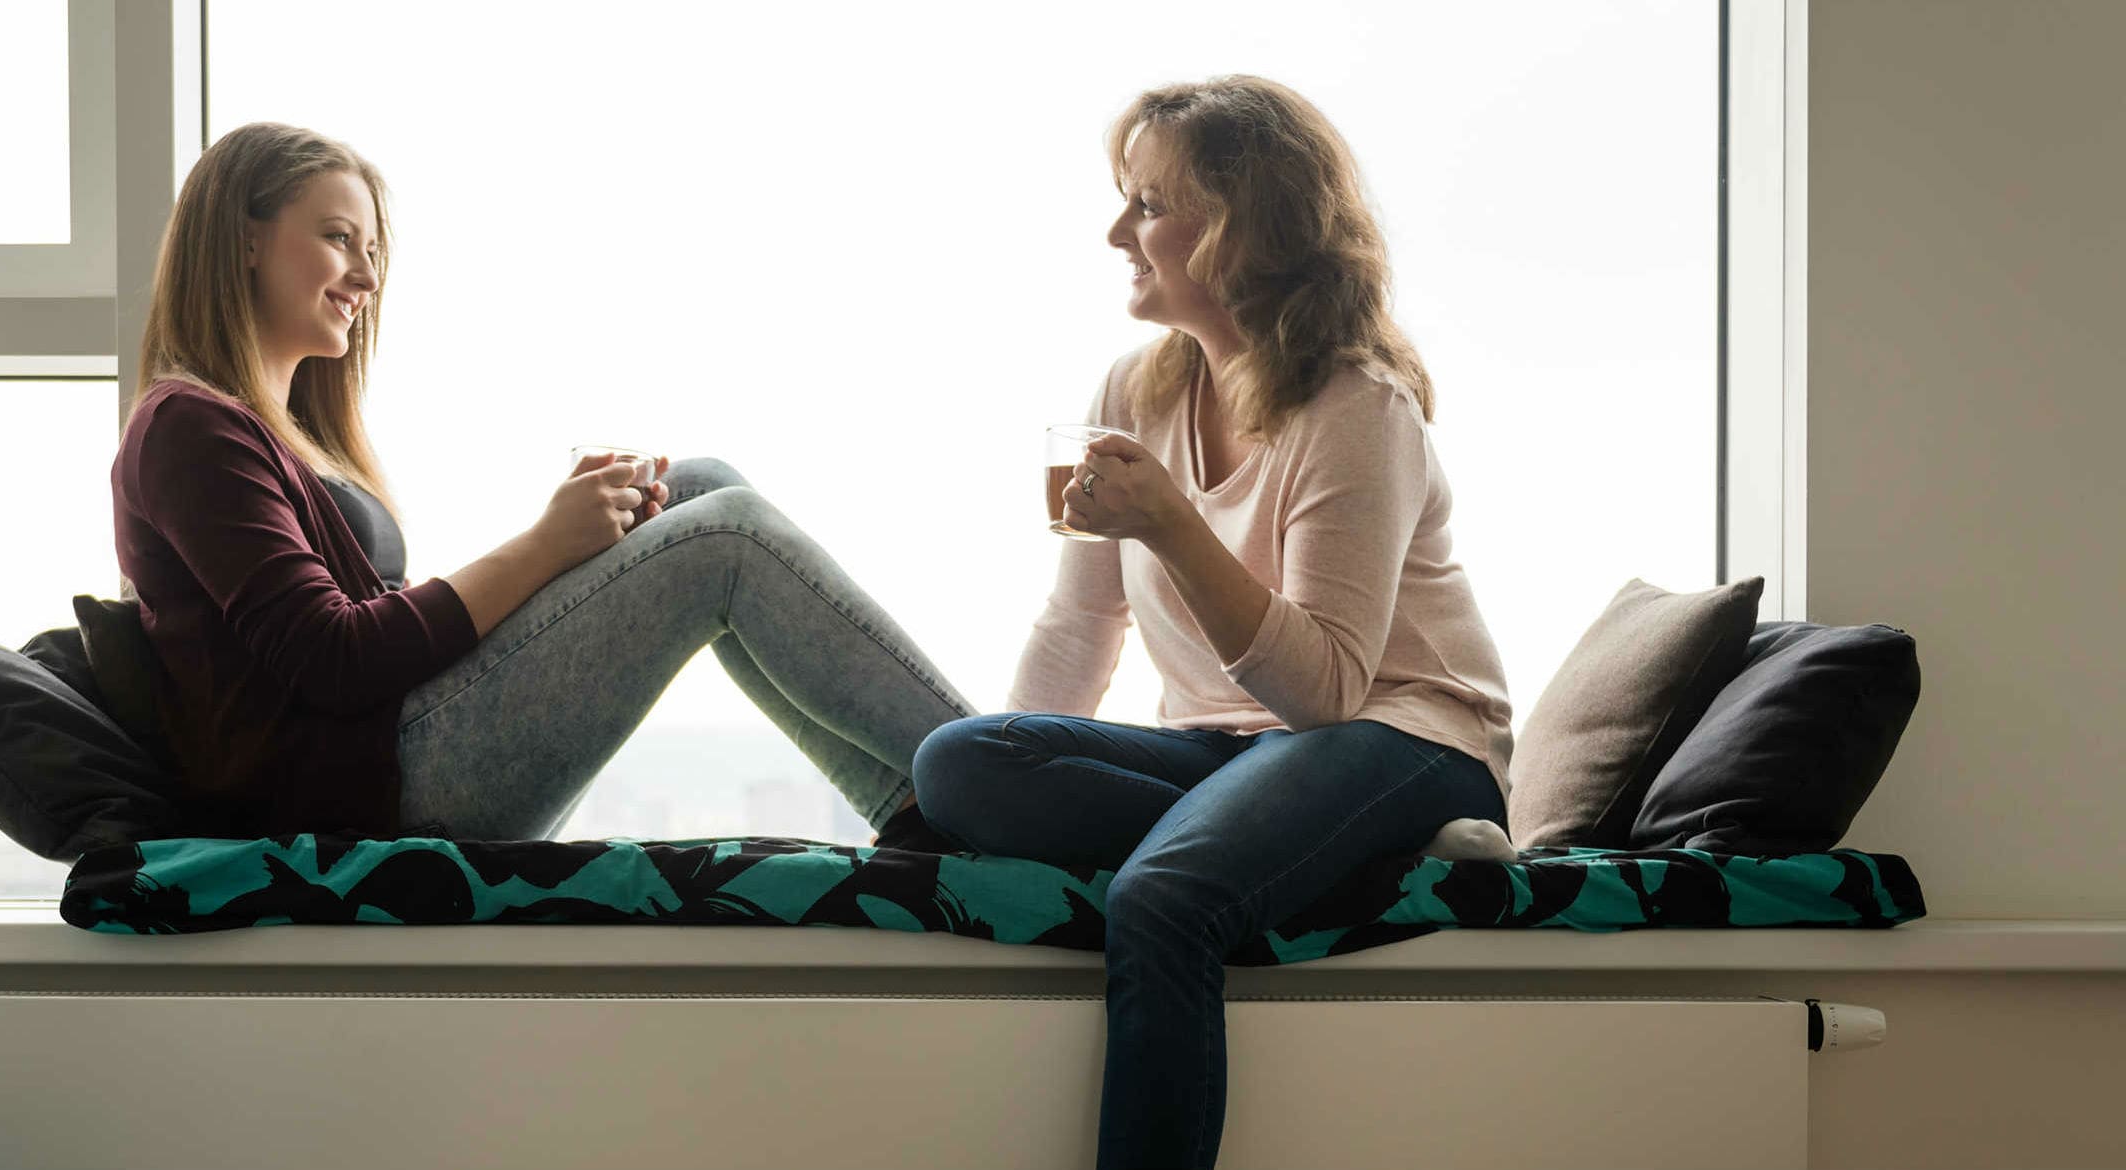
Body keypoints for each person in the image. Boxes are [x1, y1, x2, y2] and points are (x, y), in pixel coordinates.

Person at [909, 77, 1515, 1169]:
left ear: (1244, 226)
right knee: (960, 764)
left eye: (1147, 205)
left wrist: (1175, 527)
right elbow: (1080, 623)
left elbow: (1328, 690)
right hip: (1228, 757)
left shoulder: (1356, 407)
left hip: (1404, 738)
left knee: (1169, 895)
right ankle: (1358, 862)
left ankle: (1341, 839)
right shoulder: (1134, 388)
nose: (1115, 233)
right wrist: (995, 795)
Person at [114, 122, 972, 848]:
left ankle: (917, 815)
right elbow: (334, 659)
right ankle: (1010, 779)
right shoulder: (191, 427)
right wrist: (544, 548)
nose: (369, 281)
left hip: (393, 751)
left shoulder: (281, 432)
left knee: (698, 485)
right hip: (366, 794)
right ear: (245, 237)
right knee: (729, 534)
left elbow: (377, 643)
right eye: (340, 239)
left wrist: (574, 552)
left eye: (373, 252)